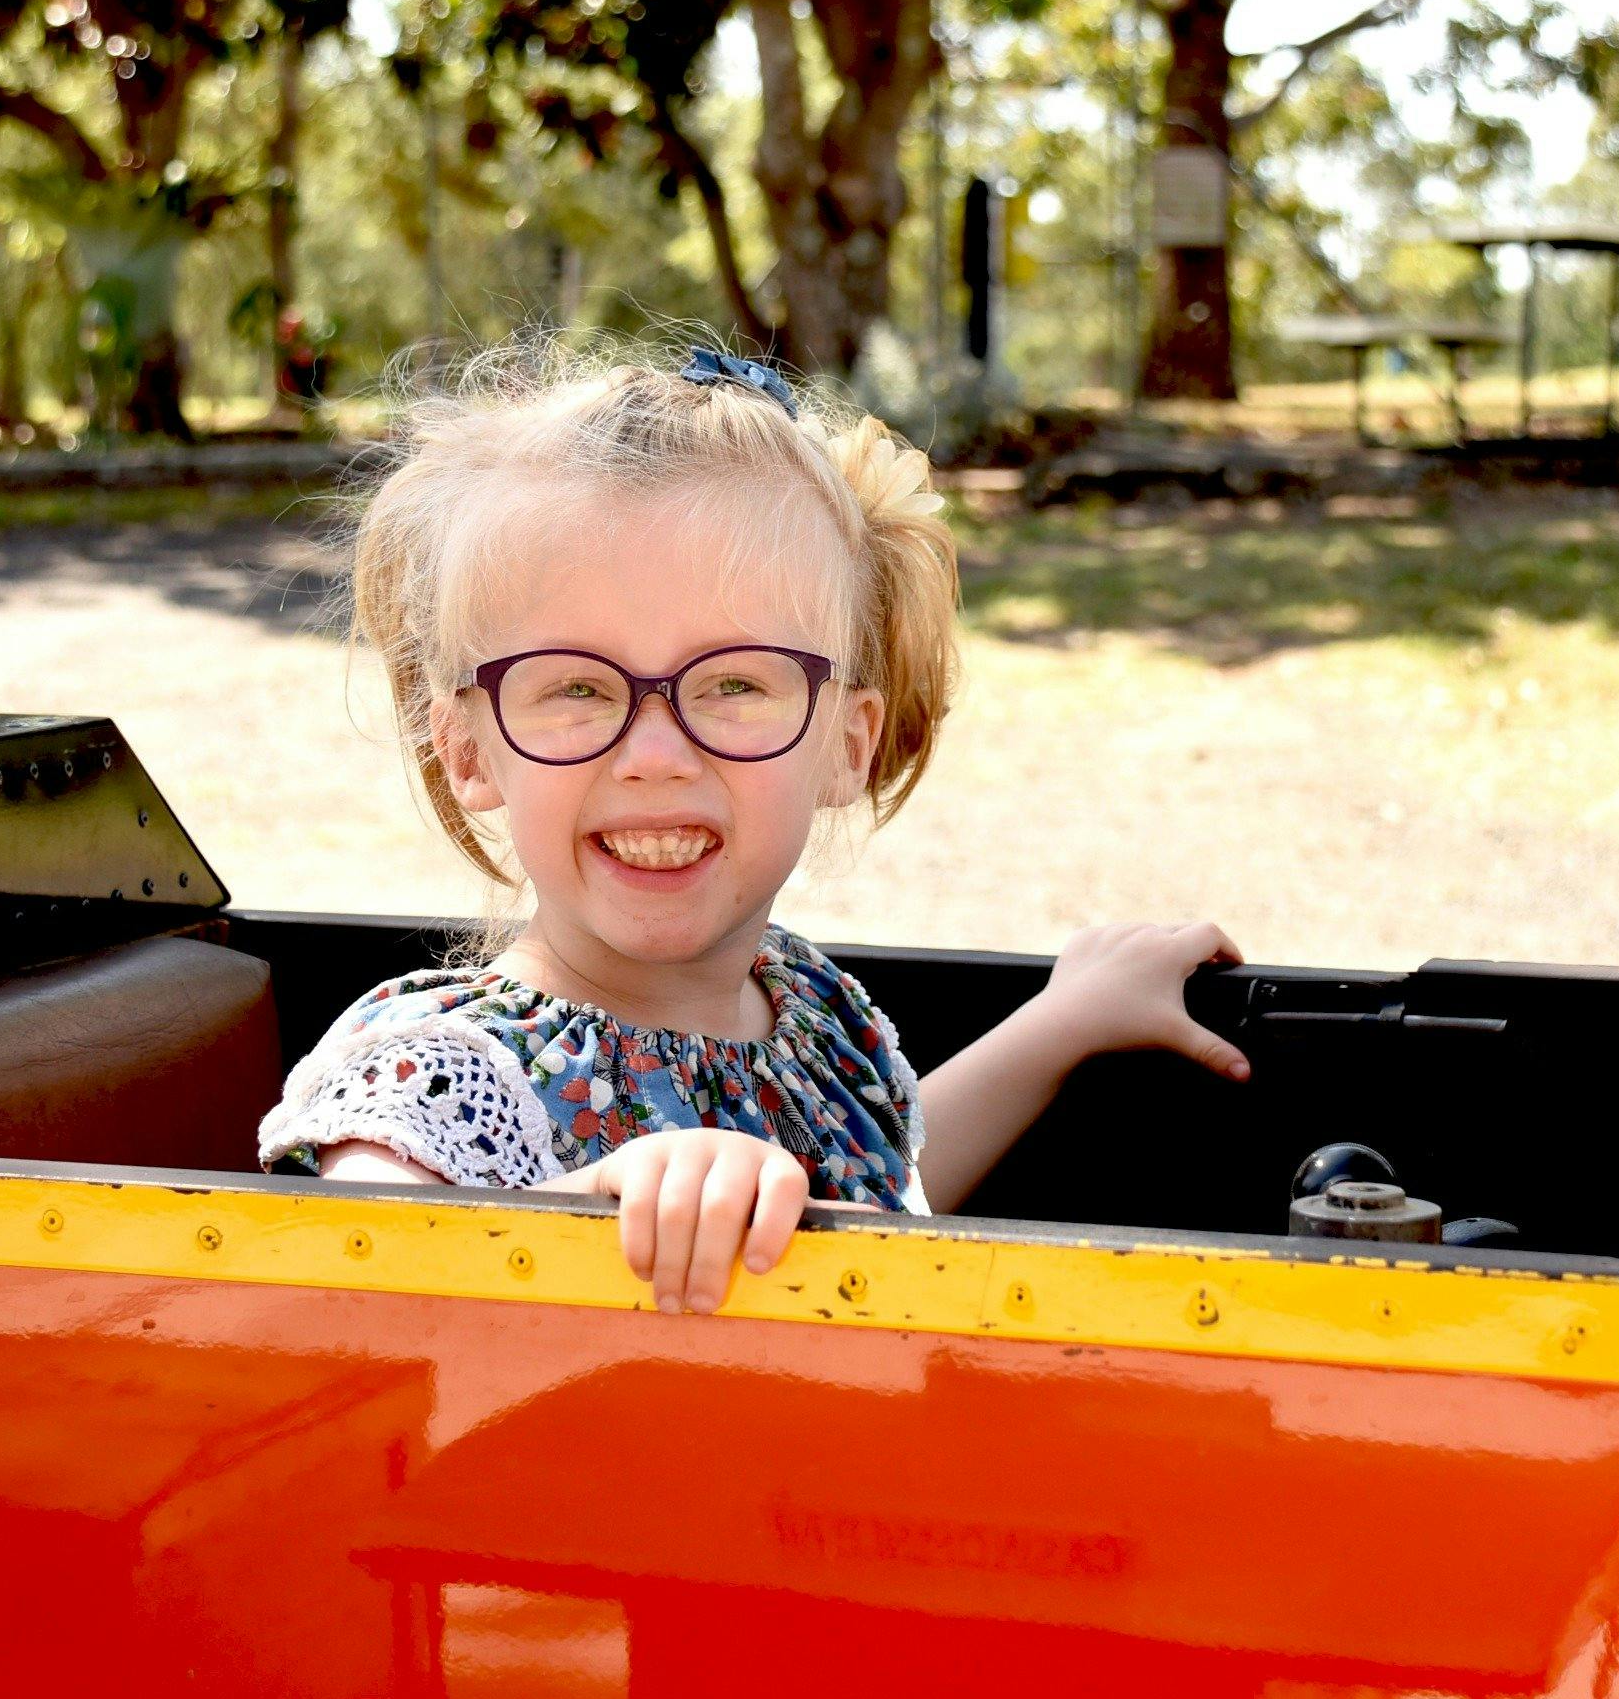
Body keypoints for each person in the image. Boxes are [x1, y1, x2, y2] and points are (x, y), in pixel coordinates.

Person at [257, 336, 1250, 1314]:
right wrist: (593, 1213)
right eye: (572, 686)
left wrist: (1063, 1020)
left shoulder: (809, 1012)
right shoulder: (430, 1073)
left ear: (846, 745)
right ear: (467, 747)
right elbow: (373, 1296)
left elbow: (879, 1203)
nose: (654, 750)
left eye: (734, 681)